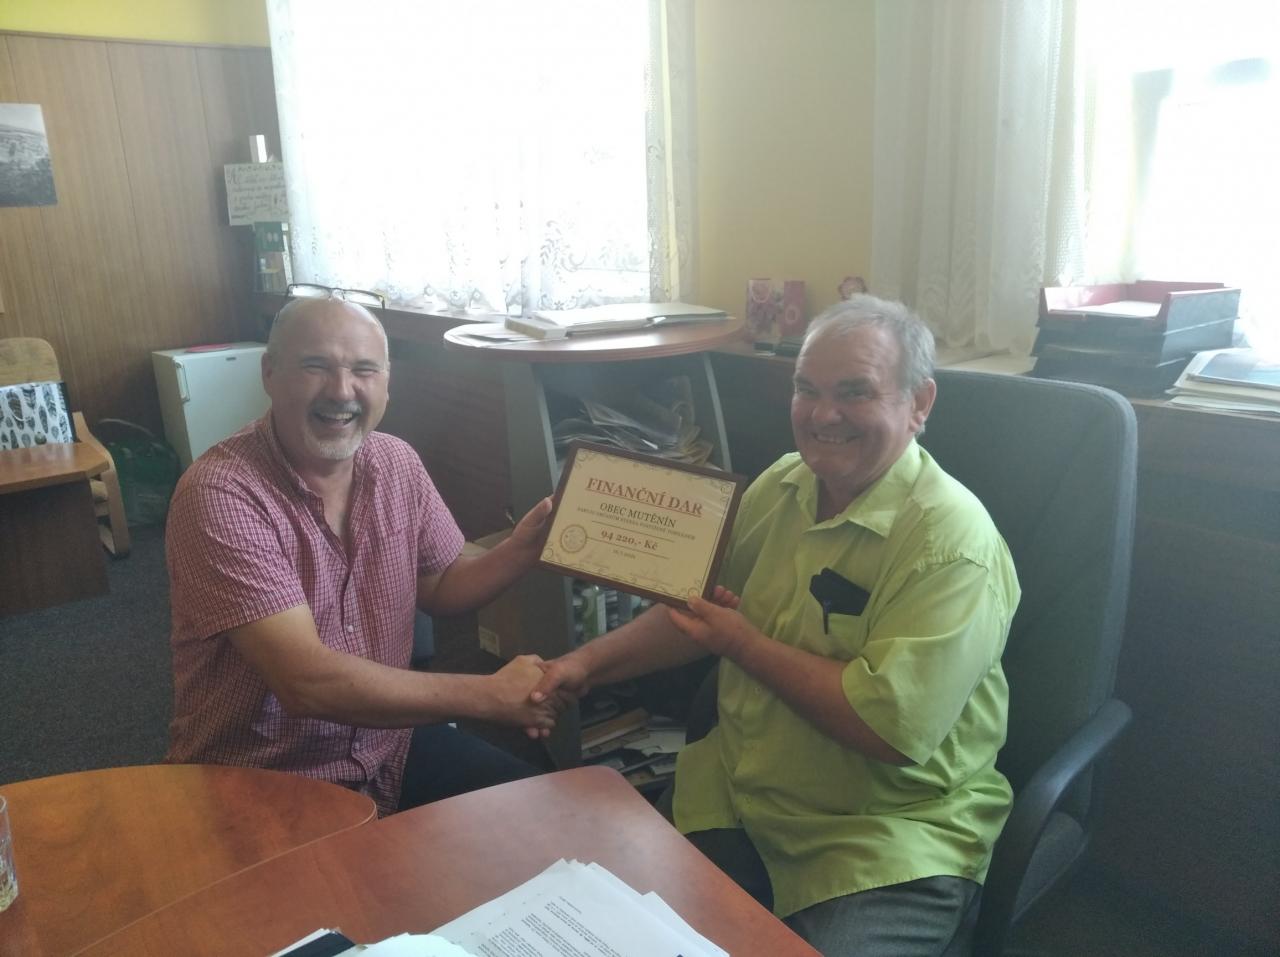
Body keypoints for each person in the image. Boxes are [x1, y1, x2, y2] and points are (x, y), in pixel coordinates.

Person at [531, 295, 1020, 956]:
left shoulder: (953, 545)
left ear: (919, 402)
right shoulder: (784, 484)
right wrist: (581, 666)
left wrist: (743, 644)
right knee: (599, 932)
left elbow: (888, 728)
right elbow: (696, 614)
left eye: (854, 392)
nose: (822, 415)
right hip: (738, 797)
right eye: (806, 389)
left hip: (880, 838)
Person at [166, 295, 563, 817]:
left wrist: (524, 548)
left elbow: (443, 583)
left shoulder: (397, 462)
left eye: (363, 370)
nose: (341, 391)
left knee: (549, 816)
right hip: (266, 777)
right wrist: (490, 697)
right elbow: (306, 681)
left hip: (387, 746)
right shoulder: (221, 493)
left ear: (387, 382)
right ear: (269, 374)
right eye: (316, 366)